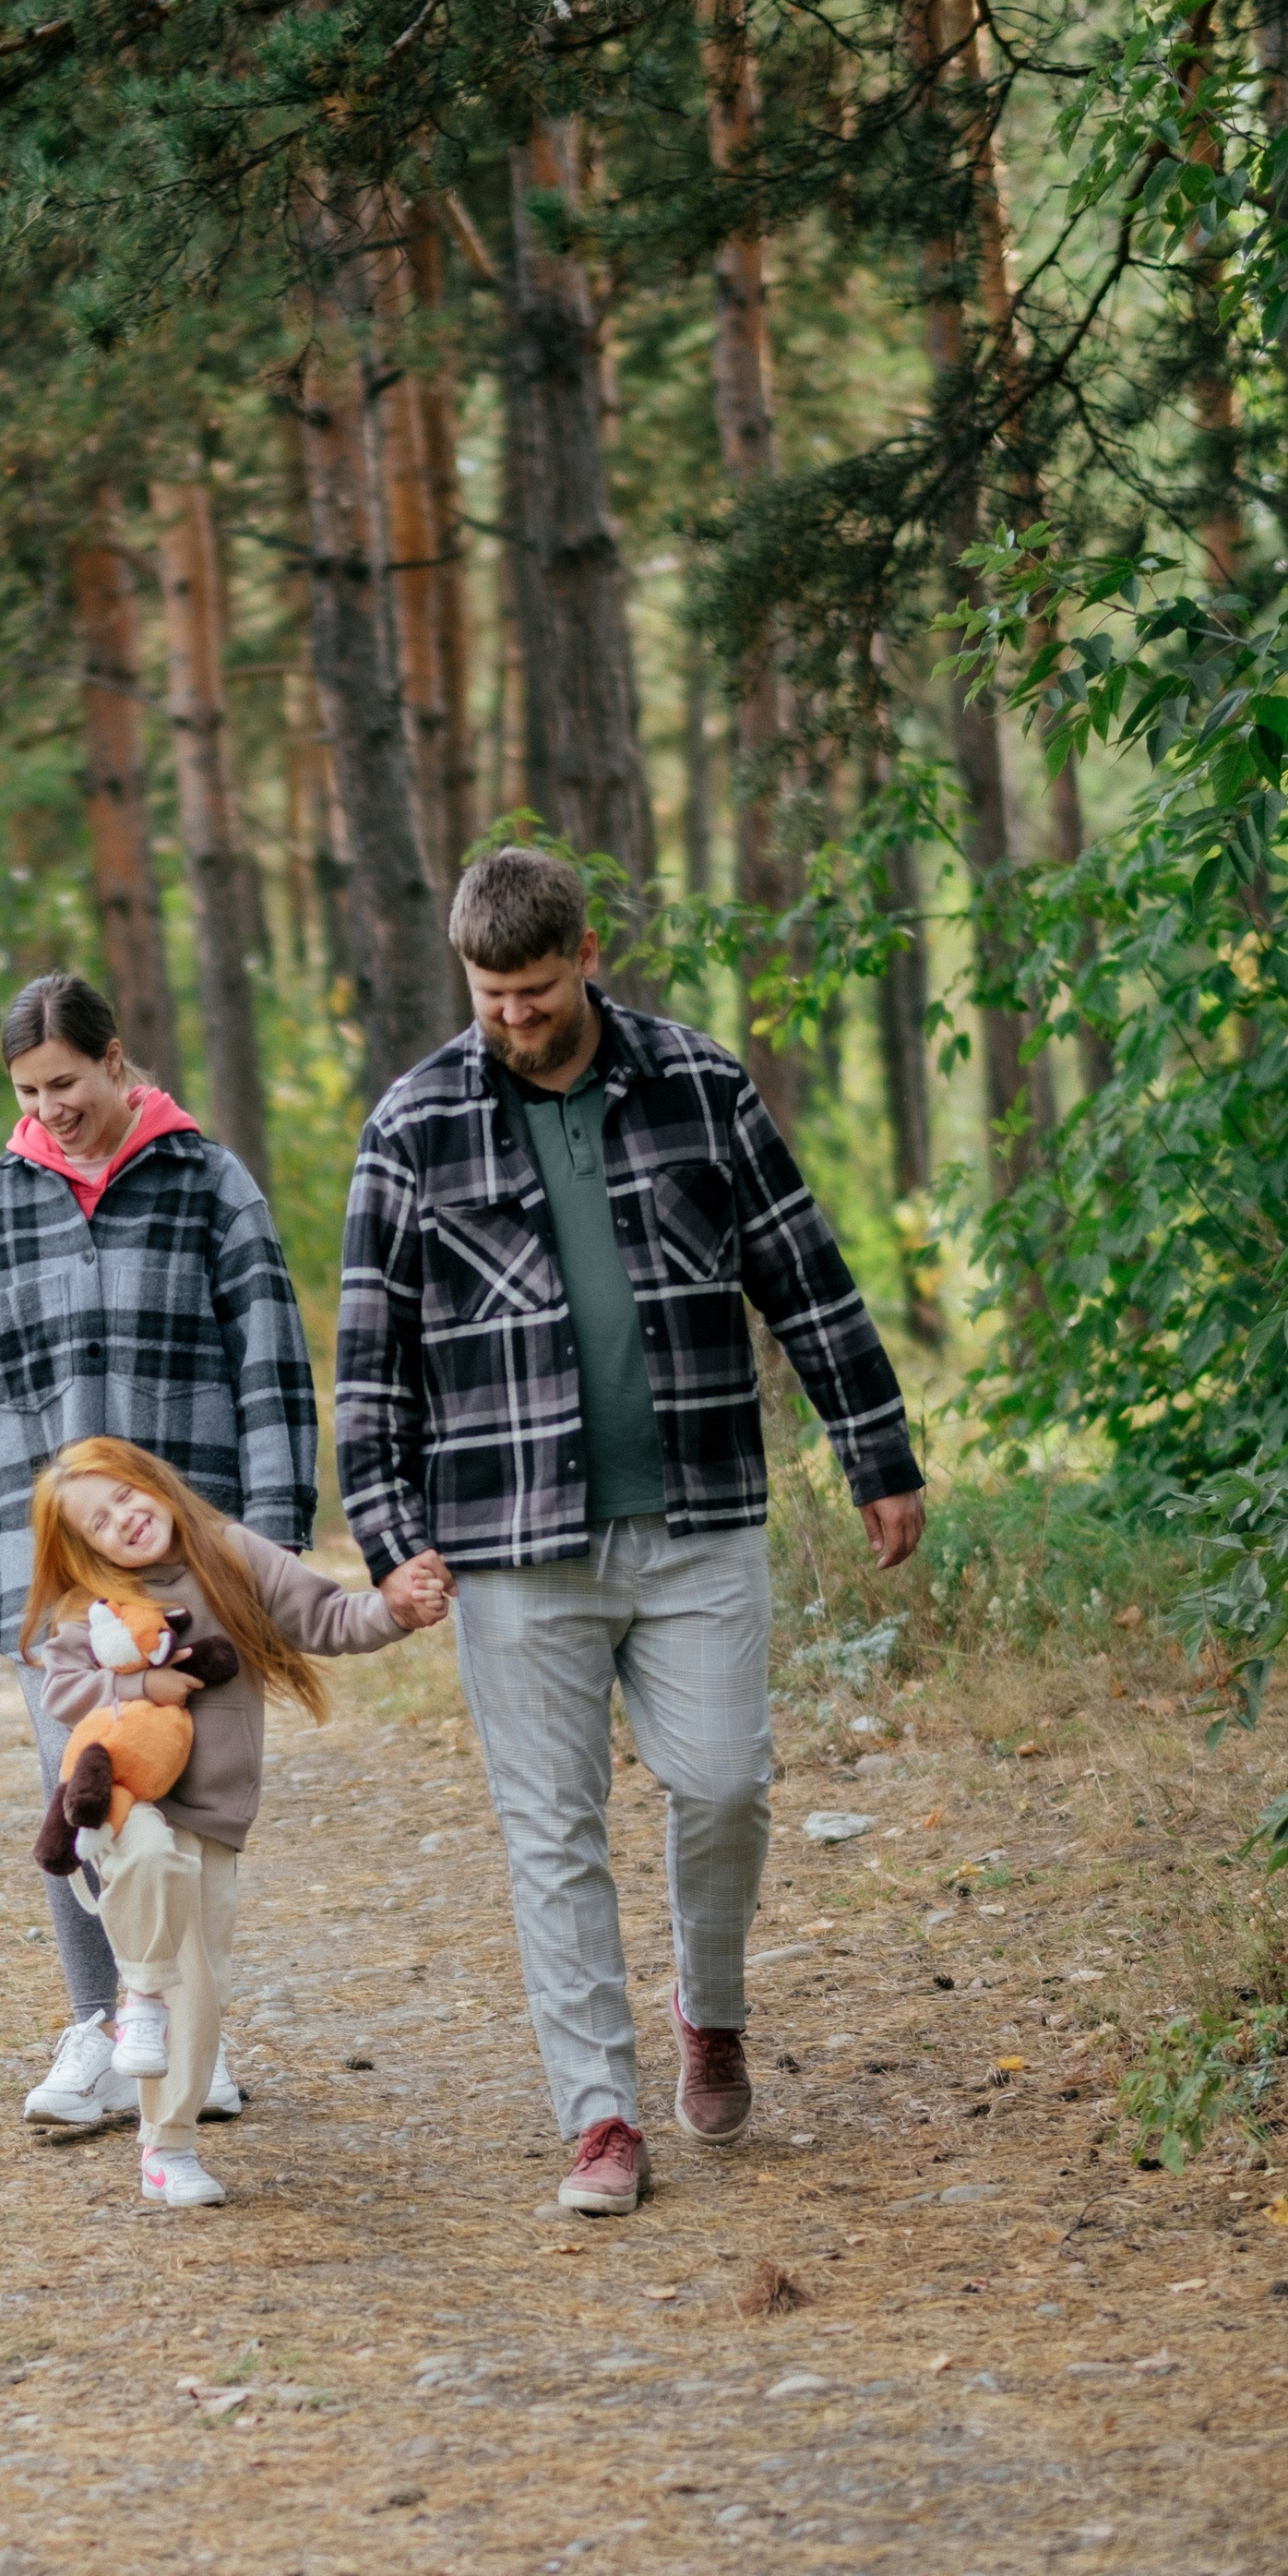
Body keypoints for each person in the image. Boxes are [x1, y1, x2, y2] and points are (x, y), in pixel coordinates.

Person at [335, 845, 926, 2216]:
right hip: (508, 1542)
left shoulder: (701, 1084)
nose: (514, 1016)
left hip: (700, 1515)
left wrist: (874, 1447)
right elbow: (372, 1353)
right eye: (490, 993)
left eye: (537, 989)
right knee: (552, 1832)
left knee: (725, 1785)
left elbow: (804, 1269)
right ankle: (598, 2116)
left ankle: (707, 2008)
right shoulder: (413, 1124)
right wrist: (387, 1529)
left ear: (586, 956)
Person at [0, 971, 319, 2134]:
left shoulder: (209, 1184)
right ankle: (104, 2028)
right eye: (26, 1090)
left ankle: (190, 2042)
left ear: (119, 1061)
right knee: (83, 1791)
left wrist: (274, 1547)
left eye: (65, 1081)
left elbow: (271, 1368)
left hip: (194, 1570)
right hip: (51, 1576)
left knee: (189, 1812)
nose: (48, 1107)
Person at [26, 1439, 450, 2209]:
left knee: (206, 1990)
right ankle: (139, 1999)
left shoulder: (230, 1554)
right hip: (128, 1798)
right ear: (81, 1548)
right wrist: (143, 1681)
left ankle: (167, 2149)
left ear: (154, 1484)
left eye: (125, 1496)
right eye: (98, 1522)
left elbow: (323, 1617)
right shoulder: (93, 1605)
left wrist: (394, 1609)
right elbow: (61, 1688)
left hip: (215, 1812)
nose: (122, 1520)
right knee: (150, 1872)